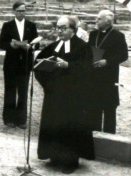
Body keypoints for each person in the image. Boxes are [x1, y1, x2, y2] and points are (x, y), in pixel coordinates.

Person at [35, 16, 95, 174]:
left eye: (63, 28)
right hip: (54, 94)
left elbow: (88, 69)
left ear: (73, 30)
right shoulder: (54, 45)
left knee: (69, 126)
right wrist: (47, 85)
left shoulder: (83, 47)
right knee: (55, 124)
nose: (59, 31)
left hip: (73, 96)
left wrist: (68, 65)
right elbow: (39, 64)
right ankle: (54, 157)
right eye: (58, 27)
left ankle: (70, 161)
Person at [0, 1, 38, 129]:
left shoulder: (31, 26)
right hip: (11, 63)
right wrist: (10, 45)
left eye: (24, 11)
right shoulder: (7, 25)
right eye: (19, 11)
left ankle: (21, 120)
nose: (22, 13)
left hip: (25, 63)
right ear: (14, 11)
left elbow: (37, 43)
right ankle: (9, 118)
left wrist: (30, 46)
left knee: (23, 91)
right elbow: (1, 43)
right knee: (10, 90)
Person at [88, 10, 128, 134]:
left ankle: (109, 137)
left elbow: (123, 55)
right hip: (94, 76)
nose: (96, 21)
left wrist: (107, 61)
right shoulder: (93, 34)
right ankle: (94, 137)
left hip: (109, 78)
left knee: (109, 109)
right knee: (94, 108)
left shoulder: (118, 36)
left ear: (107, 21)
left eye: (99, 19)